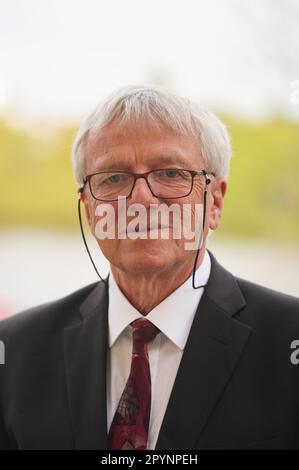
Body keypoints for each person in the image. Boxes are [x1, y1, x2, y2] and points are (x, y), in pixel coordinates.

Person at [1, 85, 299, 450]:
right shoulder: (14, 352)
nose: (141, 198)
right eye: (113, 178)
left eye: (170, 173)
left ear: (215, 202)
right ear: (89, 210)